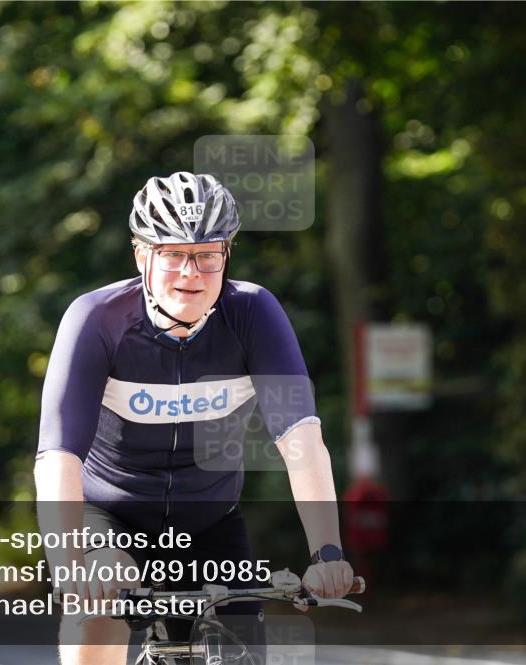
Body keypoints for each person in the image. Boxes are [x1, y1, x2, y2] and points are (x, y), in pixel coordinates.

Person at [34, 171, 354, 664]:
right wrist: (69, 565)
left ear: (227, 255)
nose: (191, 273)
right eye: (173, 254)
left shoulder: (252, 313)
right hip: (112, 520)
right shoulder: (96, 319)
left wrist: (327, 553)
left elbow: (302, 441)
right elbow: (57, 458)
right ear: (142, 255)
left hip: (211, 520)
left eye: (207, 254)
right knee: (97, 612)